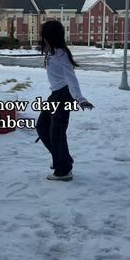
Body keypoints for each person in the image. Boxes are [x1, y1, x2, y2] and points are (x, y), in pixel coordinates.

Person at [36, 21, 94, 181]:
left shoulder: (61, 54)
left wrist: (80, 98)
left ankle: (63, 170)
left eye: (44, 34)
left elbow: (71, 78)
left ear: (50, 36)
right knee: (41, 127)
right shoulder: (52, 51)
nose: (42, 37)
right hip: (55, 95)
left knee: (57, 133)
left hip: (64, 95)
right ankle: (63, 159)